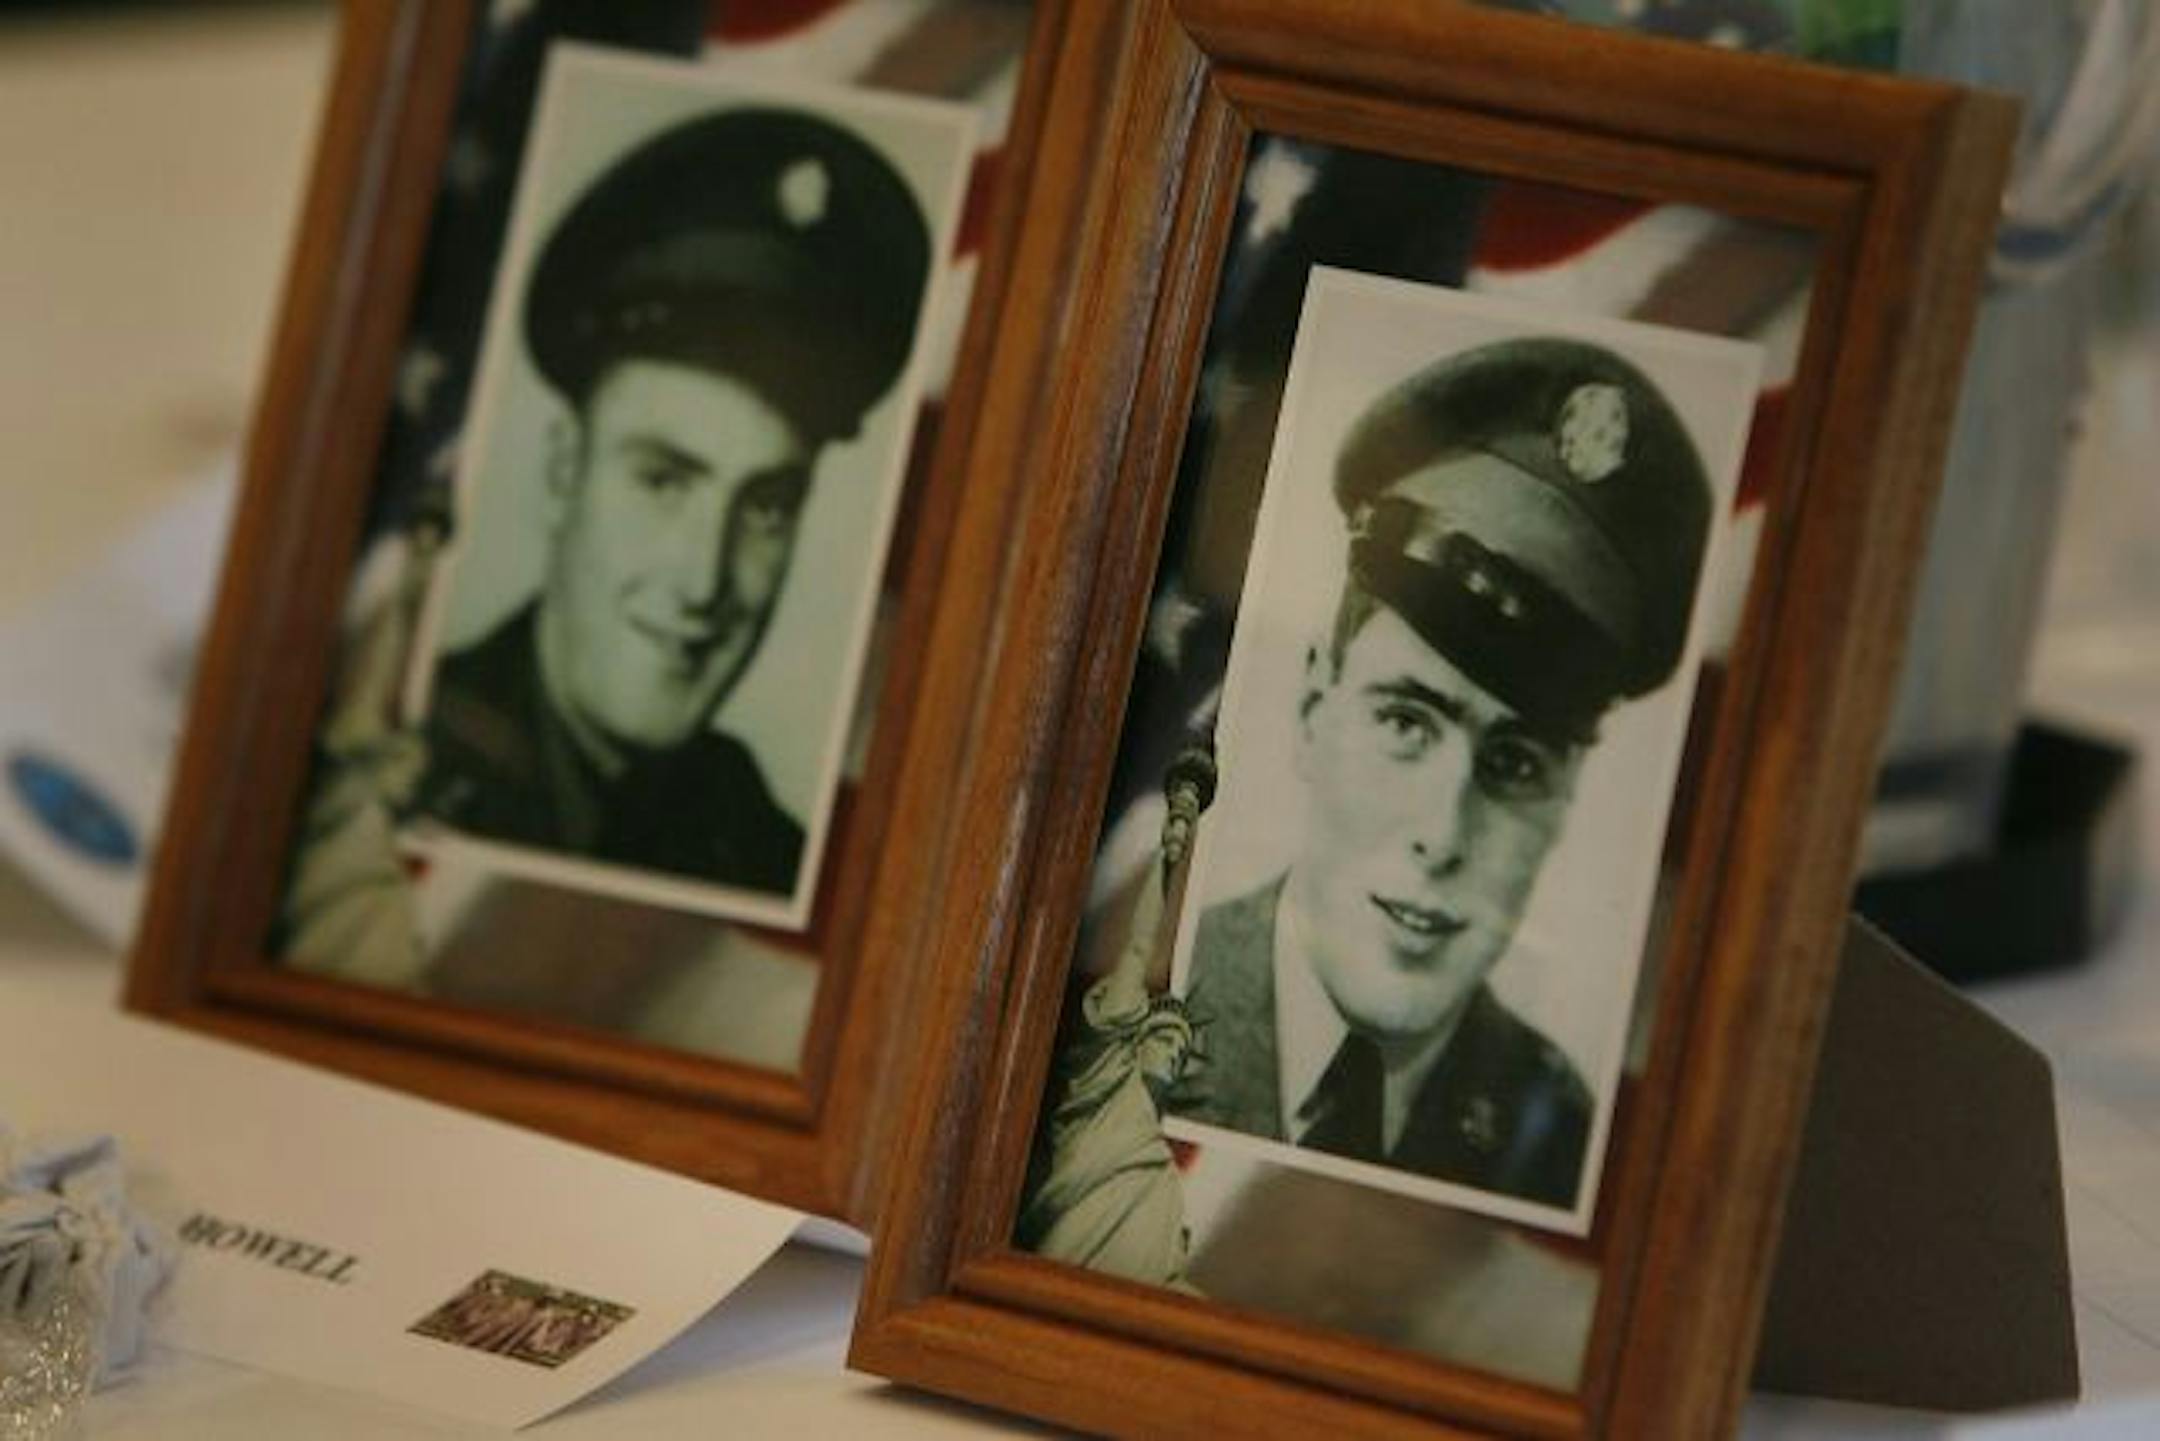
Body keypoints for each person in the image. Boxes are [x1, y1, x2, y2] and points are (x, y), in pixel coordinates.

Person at [1162, 336, 1715, 1211]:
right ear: (1314, 709)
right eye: (1405, 722)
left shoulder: (1560, 1138)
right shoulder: (1131, 1015)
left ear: (1568, 800)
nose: (1445, 833)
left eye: (1515, 762)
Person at [416, 107, 932, 895]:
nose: (702, 584)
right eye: (663, 481)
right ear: (562, 470)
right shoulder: (400, 764)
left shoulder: (754, 845)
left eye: (763, 508)